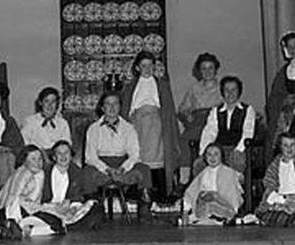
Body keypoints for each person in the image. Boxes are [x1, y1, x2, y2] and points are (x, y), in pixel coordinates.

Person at [120, 50, 183, 201]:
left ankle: (159, 193)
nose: (147, 69)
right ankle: (137, 193)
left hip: (157, 125)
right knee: (138, 156)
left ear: (154, 67)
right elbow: (127, 109)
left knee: (158, 157)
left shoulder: (162, 85)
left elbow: (168, 110)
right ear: (137, 68)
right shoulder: (130, 87)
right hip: (137, 125)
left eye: (150, 66)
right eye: (143, 66)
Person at [83, 91, 154, 221]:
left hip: (123, 165)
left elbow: (135, 154)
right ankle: (93, 211)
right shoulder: (93, 129)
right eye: (108, 104)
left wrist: (123, 168)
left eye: (115, 103)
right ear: (102, 107)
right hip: (102, 167)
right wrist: (107, 169)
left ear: (120, 107)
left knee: (144, 169)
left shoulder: (129, 128)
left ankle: (144, 210)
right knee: (87, 172)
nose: (111, 107)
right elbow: (90, 156)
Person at [33, 140, 102, 233]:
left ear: (71, 156)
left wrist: (71, 205)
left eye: (66, 153)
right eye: (59, 153)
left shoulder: (77, 172)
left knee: (96, 207)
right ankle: (62, 225)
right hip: (50, 209)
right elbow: (39, 198)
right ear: (54, 157)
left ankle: (60, 226)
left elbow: (80, 196)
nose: (63, 156)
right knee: (41, 214)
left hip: (70, 210)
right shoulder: (45, 172)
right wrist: (53, 206)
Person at [195, 75, 256, 174]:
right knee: (199, 164)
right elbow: (209, 132)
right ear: (222, 92)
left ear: (239, 91)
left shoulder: (248, 110)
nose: (230, 93)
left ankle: (235, 188)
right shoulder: (215, 111)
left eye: (233, 89)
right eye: (226, 90)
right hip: (219, 148)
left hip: (239, 149)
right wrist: (205, 151)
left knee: (236, 161)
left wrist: (238, 150)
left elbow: (248, 133)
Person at [177, 53, 224, 176]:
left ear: (216, 70)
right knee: (183, 139)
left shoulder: (222, 88)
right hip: (197, 122)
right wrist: (187, 114)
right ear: (199, 71)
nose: (207, 71)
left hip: (216, 123)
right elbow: (183, 109)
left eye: (210, 68)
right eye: (204, 68)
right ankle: (185, 176)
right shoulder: (194, 89)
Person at [254, 133, 295, 227]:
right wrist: (283, 201)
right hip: (281, 199)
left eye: (292, 145)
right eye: (285, 145)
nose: (289, 148)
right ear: (280, 147)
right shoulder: (275, 165)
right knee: (270, 213)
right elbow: (270, 187)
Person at [0, 145, 47, 238]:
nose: (37, 162)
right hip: (9, 211)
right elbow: (13, 197)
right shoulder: (24, 172)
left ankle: (21, 228)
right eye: (33, 159)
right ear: (24, 160)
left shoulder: (38, 174)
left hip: (22, 211)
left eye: (40, 159)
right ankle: (14, 225)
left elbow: (35, 201)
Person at [182, 143, 244, 225]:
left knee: (213, 204)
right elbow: (191, 192)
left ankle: (219, 217)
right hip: (205, 204)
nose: (212, 157)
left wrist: (215, 197)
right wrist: (185, 211)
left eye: (216, 154)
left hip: (224, 205)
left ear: (221, 156)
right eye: (209, 154)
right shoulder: (203, 173)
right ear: (205, 157)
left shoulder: (228, 172)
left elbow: (233, 193)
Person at [20, 86, 71, 154]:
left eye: (53, 101)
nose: (50, 105)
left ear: (57, 104)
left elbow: (67, 145)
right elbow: (24, 145)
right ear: (40, 103)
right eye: (46, 101)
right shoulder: (30, 122)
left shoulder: (62, 123)